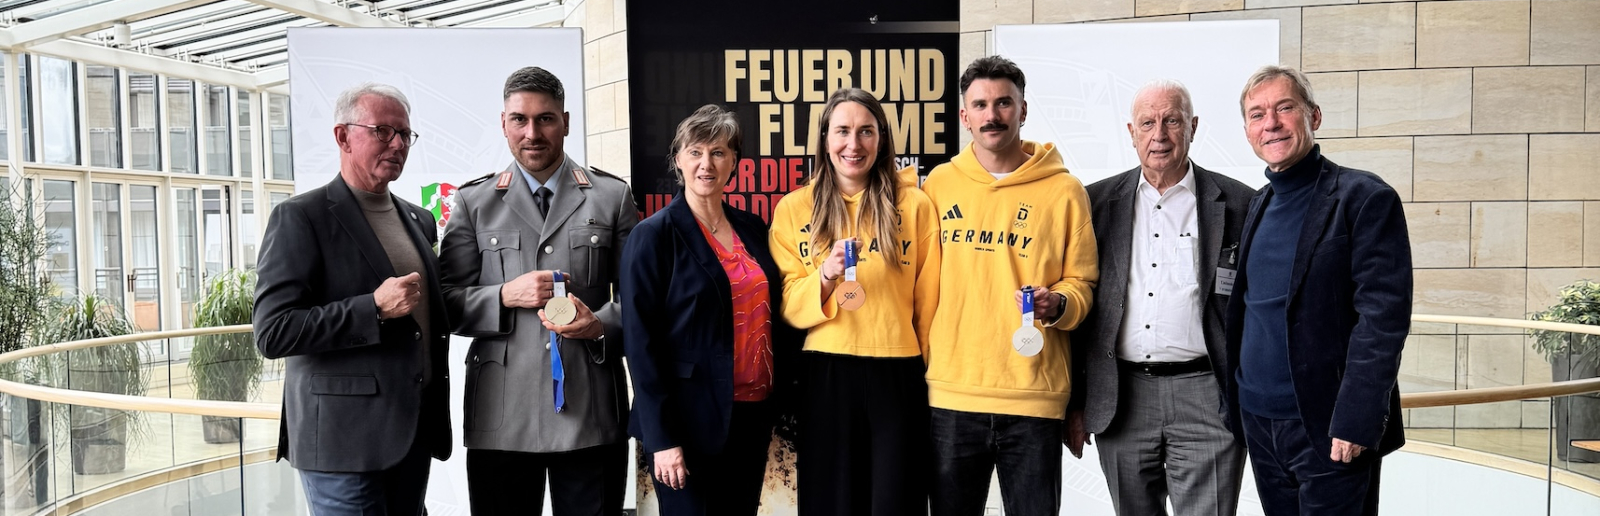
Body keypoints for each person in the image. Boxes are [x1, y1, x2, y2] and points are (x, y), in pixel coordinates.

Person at [437, 66, 638, 516]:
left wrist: (598, 325)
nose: (532, 133)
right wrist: (503, 295)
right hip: (502, 413)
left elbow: (639, 301)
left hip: (589, 412)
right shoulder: (473, 202)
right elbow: (445, 302)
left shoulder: (611, 197)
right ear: (503, 123)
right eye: (520, 119)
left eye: (545, 119)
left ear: (565, 121)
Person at [254, 83, 450, 516]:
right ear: (343, 136)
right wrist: (372, 308)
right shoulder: (300, 217)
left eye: (405, 134)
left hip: (412, 433)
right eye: (383, 131)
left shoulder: (419, 219)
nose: (397, 144)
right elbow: (273, 332)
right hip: (342, 445)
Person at [1227, 65, 1411, 516]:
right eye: (1257, 114)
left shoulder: (1364, 197)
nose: (1271, 123)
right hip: (1259, 422)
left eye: (1284, 108)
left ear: (1314, 116)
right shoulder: (1258, 203)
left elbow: (1383, 319)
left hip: (1330, 427)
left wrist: (1357, 418)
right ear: (1248, 131)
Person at [920, 55, 1098, 516]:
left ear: (1023, 110)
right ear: (964, 116)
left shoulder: (1065, 191)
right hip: (952, 394)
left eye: (1003, 103)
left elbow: (1083, 283)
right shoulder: (938, 185)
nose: (992, 115)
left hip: (1034, 397)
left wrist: (1059, 303)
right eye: (980, 105)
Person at [1071, 79, 1253, 516]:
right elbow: (1080, 303)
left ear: (1193, 126)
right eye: (1147, 123)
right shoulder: (1093, 203)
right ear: (1130, 132)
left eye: (1171, 121)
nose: (1159, 135)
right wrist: (1075, 403)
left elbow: (1255, 309)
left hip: (1207, 394)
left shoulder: (1241, 203)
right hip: (1121, 397)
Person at [621, 104, 801, 516]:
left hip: (751, 415)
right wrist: (662, 439)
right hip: (685, 423)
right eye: (696, 152)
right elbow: (641, 345)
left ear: (734, 161)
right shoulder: (653, 236)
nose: (707, 163)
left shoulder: (753, 228)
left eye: (719, 152)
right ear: (678, 160)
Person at [769, 88, 941, 516]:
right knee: (831, 502)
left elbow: (929, 302)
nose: (854, 144)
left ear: (881, 138)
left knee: (896, 501)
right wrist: (825, 277)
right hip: (826, 373)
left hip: (899, 371)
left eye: (866, 131)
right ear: (825, 138)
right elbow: (786, 303)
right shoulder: (794, 208)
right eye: (842, 131)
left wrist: (927, 371)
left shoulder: (915, 205)